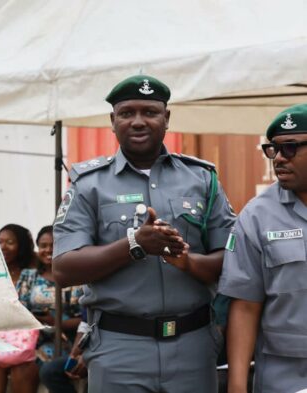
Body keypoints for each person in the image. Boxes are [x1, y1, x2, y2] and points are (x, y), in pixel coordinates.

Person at [52, 74, 236, 393]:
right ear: (113, 121)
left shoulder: (202, 179)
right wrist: (135, 244)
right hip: (119, 349)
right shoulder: (88, 184)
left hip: (192, 347)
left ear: (166, 118)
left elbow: (234, 258)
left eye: (150, 112)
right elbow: (63, 268)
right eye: (127, 113)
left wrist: (187, 262)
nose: (138, 122)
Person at [219, 103, 307, 393]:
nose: (279, 159)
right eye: (273, 150)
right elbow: (245, 306)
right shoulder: (256, 217)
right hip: (284, 377)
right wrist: (237, 385)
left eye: (291, 148)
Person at [0, 224, 49, 393]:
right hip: (0, 336)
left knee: (21, 365)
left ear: (23, 246)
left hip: (31, 337)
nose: (3, 247)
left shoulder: (33, 273)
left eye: (10, 242)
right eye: (0, 242)